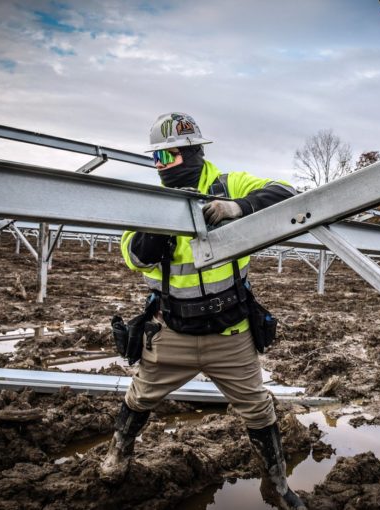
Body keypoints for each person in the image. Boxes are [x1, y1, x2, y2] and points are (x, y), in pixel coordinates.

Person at [99, 112, 305, 510]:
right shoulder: (149, 203)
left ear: (195, 152)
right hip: (172, 332)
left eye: (170, 156)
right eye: (157, 158)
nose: (162, 166)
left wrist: (238, 208)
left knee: (258, 408)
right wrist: (158, 226)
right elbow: (135, 255)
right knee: (140, 396)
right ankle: (117, 454)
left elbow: (287, 194)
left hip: (230, 333)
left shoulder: (229, 184)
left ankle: (276, 485)